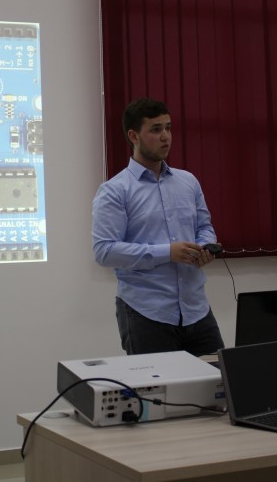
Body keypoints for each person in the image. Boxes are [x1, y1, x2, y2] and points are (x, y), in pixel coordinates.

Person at [91, 97, 225, 356]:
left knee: (219, 379)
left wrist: (205, 247)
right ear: (134, 136)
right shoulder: (115, 191)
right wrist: (168, 252)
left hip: (196, 309)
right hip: (146, 313)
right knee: (157, 385)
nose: (166, 137)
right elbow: (104, 251)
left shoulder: (188, 182)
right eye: (155, 129)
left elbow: (204, 227)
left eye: (168, 127)